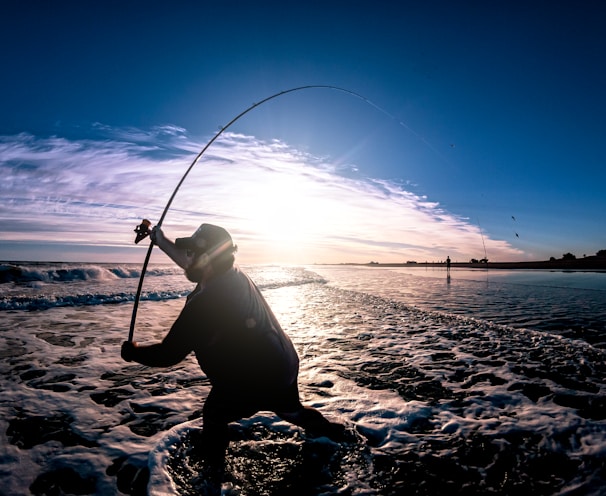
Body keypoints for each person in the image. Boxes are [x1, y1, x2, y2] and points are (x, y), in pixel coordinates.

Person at [121, 223, 346, 461]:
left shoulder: (206, 304)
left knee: (214, 414)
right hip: (283, 362)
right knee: (291, 411)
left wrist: (133, 352)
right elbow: (191, 265)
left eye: (192, 253)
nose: (187, 258)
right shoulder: (230, 272)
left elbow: (168, 355)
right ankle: (333, 435)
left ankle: (212, 475)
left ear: (206, 259)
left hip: (254, 376)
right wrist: (160, 239)